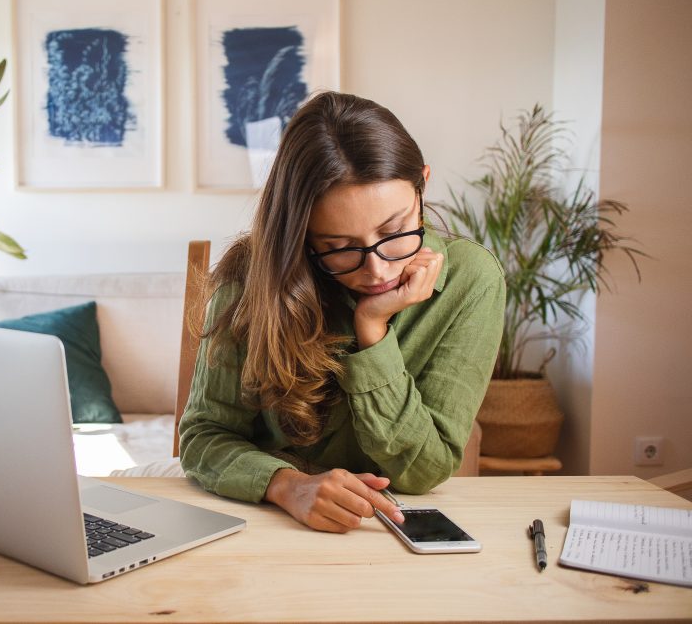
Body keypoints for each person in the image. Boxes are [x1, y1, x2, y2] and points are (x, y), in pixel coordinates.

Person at [178, 92, 505, 533]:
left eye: (394, 231)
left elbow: (424, 470)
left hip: (391, 531)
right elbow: (203, 437)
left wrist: (372, 331)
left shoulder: (472, 279)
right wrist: (286, 486)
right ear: (301, 232)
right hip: (266, 524)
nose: (377, 270)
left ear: (422, 186)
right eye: (339, 247)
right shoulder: (251, 276)